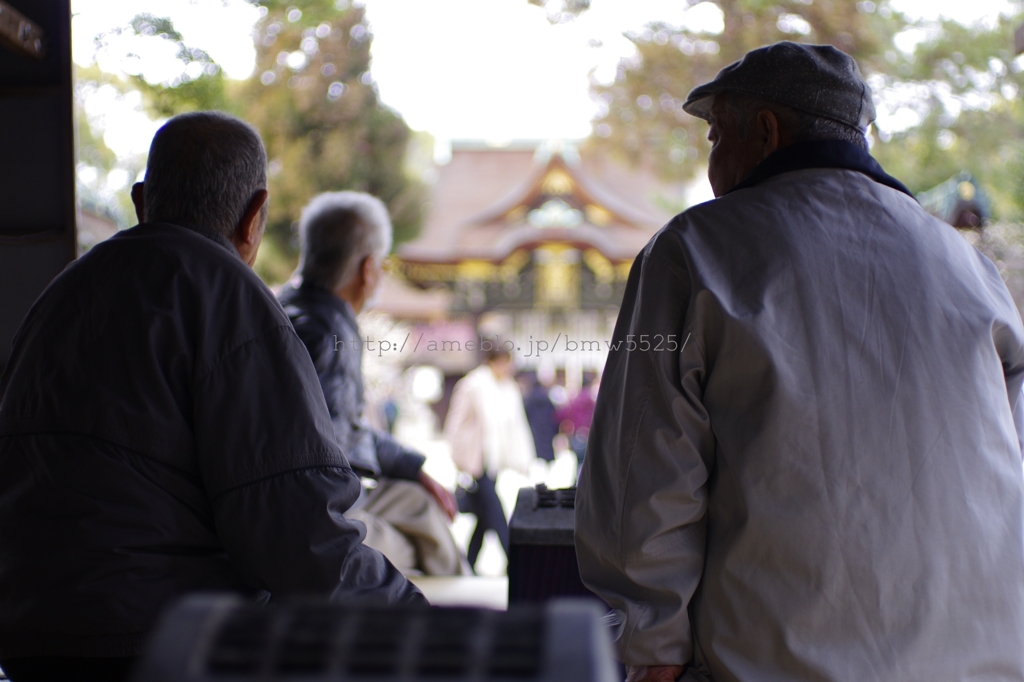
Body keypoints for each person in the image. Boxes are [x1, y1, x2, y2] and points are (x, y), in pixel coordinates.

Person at [575, 42, 1024, 682]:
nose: (711, 162)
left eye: (714, 137)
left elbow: (644, 473)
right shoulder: (971, 271)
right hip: (981, 660)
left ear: (765, 131)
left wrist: (651, 644)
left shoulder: (695, 252)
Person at [0, 112, 423, 682]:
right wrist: (420, 622)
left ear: (142, 202)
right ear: (254, 216)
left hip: (28, 637)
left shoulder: (62, 294)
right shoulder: (229, 299)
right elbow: (298, 534)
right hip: (154, 640)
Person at [278, 191, 464, 576]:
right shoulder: (327, 336)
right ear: (367, 270)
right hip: (318, 521)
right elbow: (321, 454)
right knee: (424, 540)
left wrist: (412, 467)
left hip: (299, 503)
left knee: (417, 502)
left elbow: (340, 425)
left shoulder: (290, 312)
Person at [444, 348, 536, 570]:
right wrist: (459, 458)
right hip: (476, 462)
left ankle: (468, 563)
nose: (508, 368)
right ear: (493, 362)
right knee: (495, 511)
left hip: (492, 462)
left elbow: (514, 426)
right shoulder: (473, 386)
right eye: (504, 363)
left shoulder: (507, 388)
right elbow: (455, 424)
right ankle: (515, 560)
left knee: (485, 516)